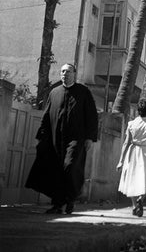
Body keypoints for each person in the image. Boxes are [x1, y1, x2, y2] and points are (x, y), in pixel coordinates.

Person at [26, 63, 98, 214]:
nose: (65, 74)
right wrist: (41, 137)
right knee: (56, 170)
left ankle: (70, 199)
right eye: (62, 71)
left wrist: (90, 138)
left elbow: (92, 116)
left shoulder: (83, 92)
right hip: (55, 139)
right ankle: (58, 204)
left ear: (74, 74)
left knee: (70, 166)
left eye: (68, 71)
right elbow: (46, 116)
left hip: (76, 138)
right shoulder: (54, 92)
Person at [117, 99, 146, 216]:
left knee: (132, 180)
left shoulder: (132, 124)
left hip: (133, 152)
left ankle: (134, 205)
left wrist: (121, 161)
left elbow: (126, 143)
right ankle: (140, 200)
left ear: (138, 111)